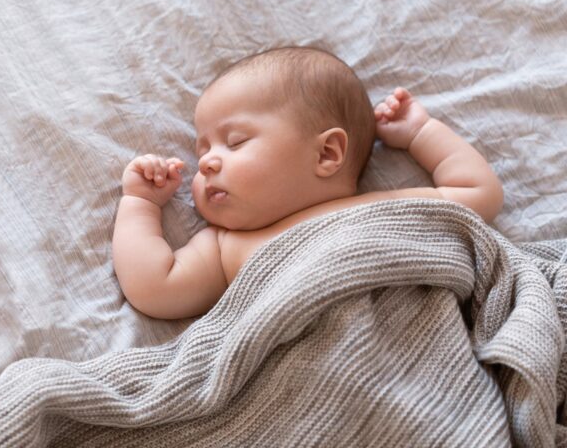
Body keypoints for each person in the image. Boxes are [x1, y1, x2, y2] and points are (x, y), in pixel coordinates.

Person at [112, 46, 504, 320]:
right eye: (201, 156)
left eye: (236, 142)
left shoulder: (388, 207)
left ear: (327, 154)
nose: (208, 162)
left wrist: (421, 133)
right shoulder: (222, 249)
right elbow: (153, 289)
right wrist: (140, 203)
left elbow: (479, 194)